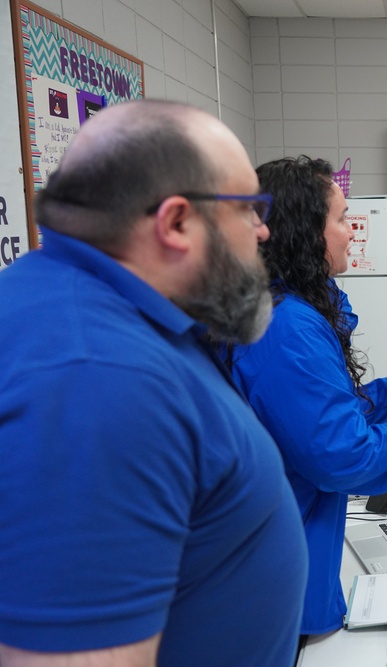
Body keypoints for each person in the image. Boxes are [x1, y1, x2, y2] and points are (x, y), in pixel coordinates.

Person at [0, 100, 307, 665]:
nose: (263, 231)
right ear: (176, 222)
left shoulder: (103, 311)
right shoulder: (96, 378)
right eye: (248, 208)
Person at [228, 156, 387, 641]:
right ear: (304, 230)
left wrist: (384, 398)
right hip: (279, 587)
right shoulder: (287, 328)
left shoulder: (290, 307)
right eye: (341, 219)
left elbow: (305, 421)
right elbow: (343, 458)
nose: (352, 232)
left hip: (290, 559)